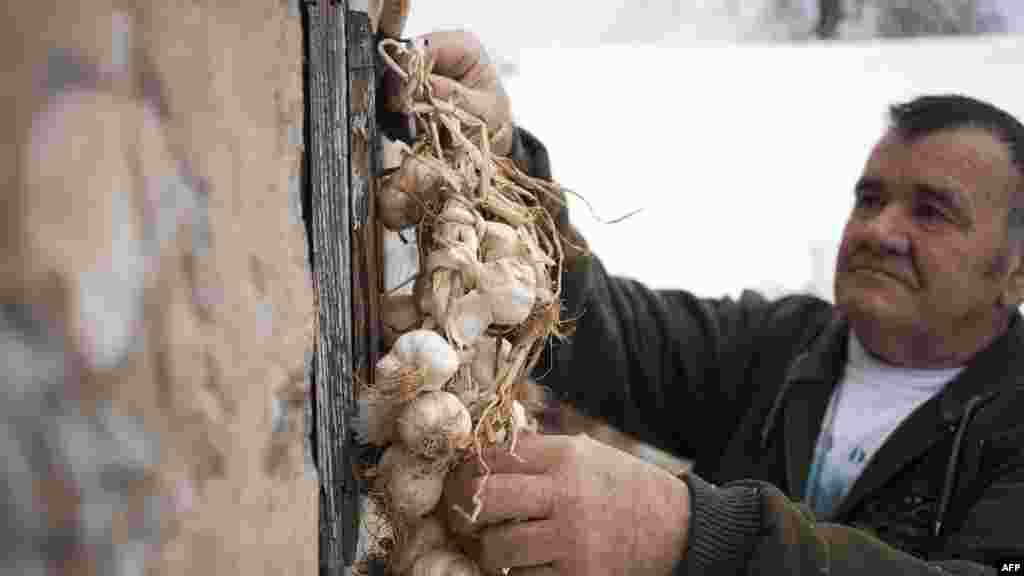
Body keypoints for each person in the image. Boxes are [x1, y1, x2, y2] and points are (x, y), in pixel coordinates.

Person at [383, 30, 1024, 575]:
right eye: (870, 199)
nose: (881, 231)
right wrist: (496, 154)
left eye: (932, 212)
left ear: (1017, 274)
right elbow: (600, 325)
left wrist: (690, 533)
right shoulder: (786, 346)